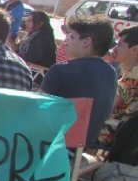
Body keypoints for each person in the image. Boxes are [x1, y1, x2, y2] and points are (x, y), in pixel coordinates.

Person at [41, 18, 118, 148]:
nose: (66, 42)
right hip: (85, 146)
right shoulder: (111, 73)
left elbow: (38, 110)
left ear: (86, 42)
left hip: (51, 146)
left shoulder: (60, 70)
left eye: (71, 37)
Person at [97, 25, 138, 148]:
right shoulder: (131, 72)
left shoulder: (132, 78)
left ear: (135, 49)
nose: (114, 49)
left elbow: (106, 109)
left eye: (119, 45)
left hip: (114, 134)